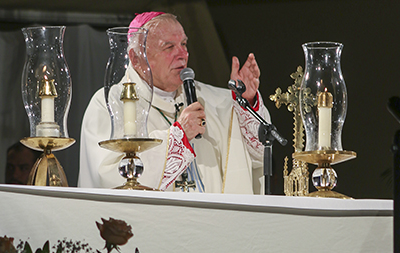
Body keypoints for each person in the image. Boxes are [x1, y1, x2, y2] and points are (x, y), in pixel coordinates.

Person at [78, 11, 271, 194]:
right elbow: (106, 177)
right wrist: (179, 137)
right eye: (169, 47)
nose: (182, 54)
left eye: (184, 44)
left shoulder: (213, 100)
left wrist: (247, 102)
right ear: (136, 59)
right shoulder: (109, 104)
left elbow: (259, 153)